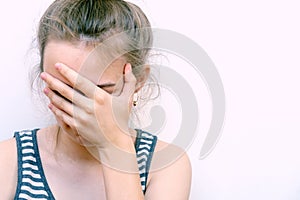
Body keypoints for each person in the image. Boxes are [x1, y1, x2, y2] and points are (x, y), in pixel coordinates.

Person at [0, 0, 192, 199]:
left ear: (138, 81)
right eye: (61, 90)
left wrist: (114, 144)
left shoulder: (165, 165)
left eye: (98, 92)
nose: (78, 110)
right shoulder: (8, 161)